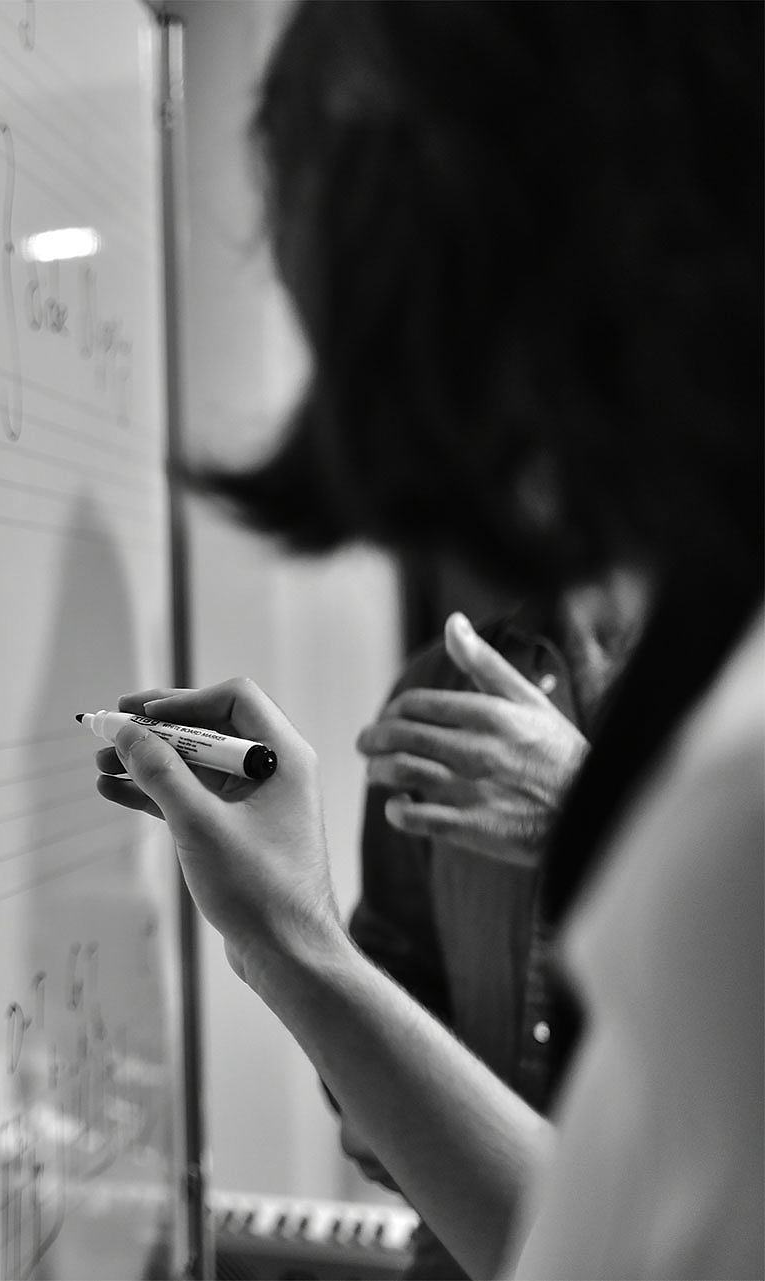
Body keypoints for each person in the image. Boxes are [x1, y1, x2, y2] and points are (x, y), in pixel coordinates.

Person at [94, 3, 761, 1276]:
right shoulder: (457, 697)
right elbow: (576, 1222)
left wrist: (585, 829)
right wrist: (301, 947)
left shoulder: (732, 793)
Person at [342, 582, 643, 1279]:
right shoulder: (441, 686)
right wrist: (370, 1088)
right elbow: (397, 961)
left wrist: (585, 812)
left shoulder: (738, 683)